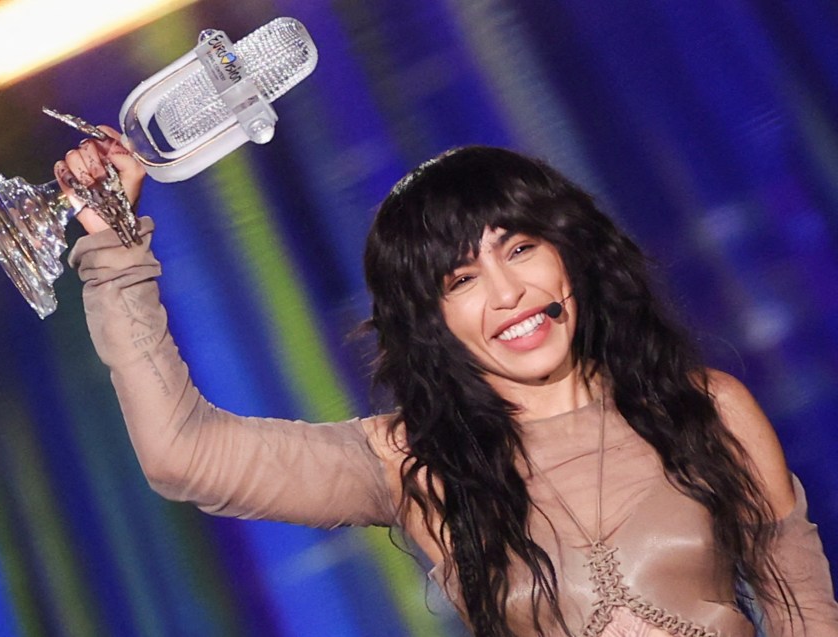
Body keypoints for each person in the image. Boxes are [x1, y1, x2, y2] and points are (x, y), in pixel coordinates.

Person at [55, 131, 838, 637]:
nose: (509, 293)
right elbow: (182, 452)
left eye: (522, 247)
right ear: (429, 316)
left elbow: (806, 613)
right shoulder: (414, 463)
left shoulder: (706, 407)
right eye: (461, 278)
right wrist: (116, 252)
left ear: (568, 256)